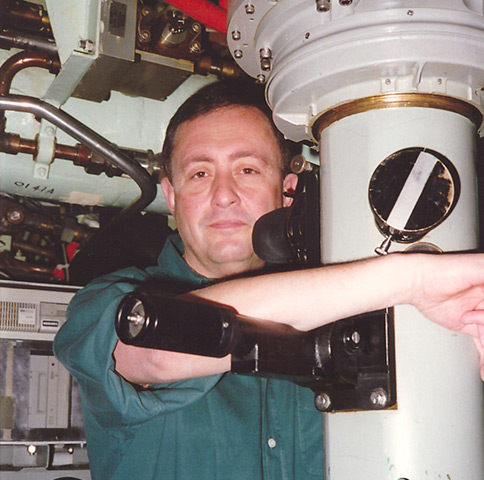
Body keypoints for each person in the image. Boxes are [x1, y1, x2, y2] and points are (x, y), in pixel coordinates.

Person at [54, 79, 484, 480]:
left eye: (248, 170)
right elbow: (161, 353)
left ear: (288, 190)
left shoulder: (353, 306)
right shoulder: (102, 304)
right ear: (171, 196)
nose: (223, 195)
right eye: (200, 174)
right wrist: (412, 279)